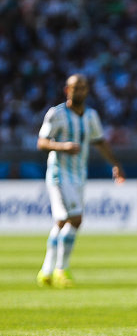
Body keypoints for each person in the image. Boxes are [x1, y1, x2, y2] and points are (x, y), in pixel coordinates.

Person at [36, 74, 126, 289]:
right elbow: (41, 142)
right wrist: (62, 146)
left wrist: (116, 164)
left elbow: (100, 141)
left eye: (84, 87)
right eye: (76, 87)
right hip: (58, 174)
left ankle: (46, 271)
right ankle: (61, 269)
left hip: (78, 176)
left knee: (61, 223)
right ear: (67, 90)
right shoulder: (56, 114)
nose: (80, 91)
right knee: (75, 219)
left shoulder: (91, 116)